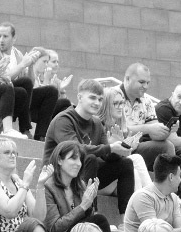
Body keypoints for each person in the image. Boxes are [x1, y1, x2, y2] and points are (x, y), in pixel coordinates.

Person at [44, 79, 136, 213]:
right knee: (90, 158)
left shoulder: (97, 123)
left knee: (126, 163)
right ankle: (91, 212)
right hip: (58, 174)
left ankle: (125, 219)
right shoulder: (63, 120)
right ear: (79, 97)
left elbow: (107, 156)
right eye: (92, 98)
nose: (97, 103)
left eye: (100, 99)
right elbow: (75, 150)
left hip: (83, 173)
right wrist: (110, 147)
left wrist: (122, 148)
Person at [39, 139, 113, 232]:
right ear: (59, 160)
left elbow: (89, 221)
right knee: (99, 220)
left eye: (80, 160)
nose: (78, 163)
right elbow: (54, 228)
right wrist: (83, 206)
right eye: (73, 158)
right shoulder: (48, 187)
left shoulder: (80, 185)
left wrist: (90, 205)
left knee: (98, 221)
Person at [0, 22, 55, 139]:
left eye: (5, 36)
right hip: (0, 94)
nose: (1, 40)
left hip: (19, 96)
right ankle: (25, 128)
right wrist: (22, 64)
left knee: (51, 92)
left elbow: (30, 84)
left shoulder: (17, 54)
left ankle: (41, 136)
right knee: (23, 85)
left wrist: (31, 65)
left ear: (14, 38)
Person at [123, 152, 181, 232]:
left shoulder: (173, 198)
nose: (180, 180)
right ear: (171, 177)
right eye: (179, 176)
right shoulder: (143, 197)